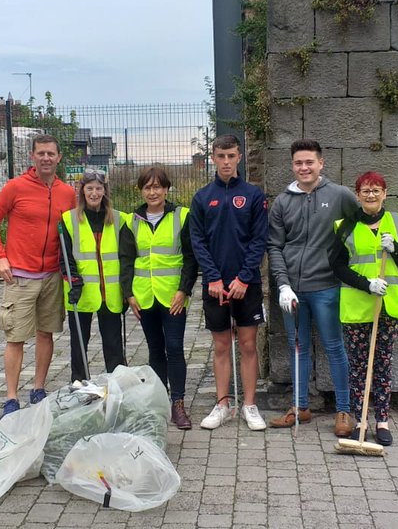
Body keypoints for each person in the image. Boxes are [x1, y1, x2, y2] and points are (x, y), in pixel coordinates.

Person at [266, 139, 361, 437]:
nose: (304, 167)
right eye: (298, 163)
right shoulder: (282, 202)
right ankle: (300, 406)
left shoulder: (340, 195)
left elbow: (363, 223)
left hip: (326, 287)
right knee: (298, 348)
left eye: (309, 162)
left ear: (321, 163)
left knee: (334, 347)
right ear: (292, 165)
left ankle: (344, 410)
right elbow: (274, 246)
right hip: (293, 291)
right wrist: (282, 284)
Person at [0, 135, 77, 419]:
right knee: (16, 337)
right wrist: (0, 257)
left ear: (59, 158)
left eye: (51, 154)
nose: (46, 158)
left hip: (52, 275)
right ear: (32, 156)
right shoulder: (15, 187)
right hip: (20, 276)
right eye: (41, 153)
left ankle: (38, 388)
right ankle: (11, 397)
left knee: (46, 333)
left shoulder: (67, 193)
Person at [189, 135, 269, 431]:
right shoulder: (202, 197)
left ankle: (249, 405)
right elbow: (198, 241)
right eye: (221, 156)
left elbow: (259, 239)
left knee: (248, 344)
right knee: (221, 345)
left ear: (239, 158)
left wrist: (244, 278)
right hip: (215, 286)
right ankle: (222, 405)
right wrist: (212, 277)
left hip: (246, 285)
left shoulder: (253, 195)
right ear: (213, 157)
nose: (226, 162)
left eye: (231, 156)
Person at [331, 171, 398, 447]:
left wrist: (395, 248)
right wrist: (366, 284)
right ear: (357, 195)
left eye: (376, 190)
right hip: (357, 307)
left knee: (382, 364)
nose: (371, 195)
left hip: (386, 307)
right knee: (358, 366)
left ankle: (382, 421)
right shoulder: (345, 226)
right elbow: (337, 266)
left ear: (385, 193)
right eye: (365, 191)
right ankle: (361, 420)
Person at [120, 166, 199, 429]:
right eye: (147, 187)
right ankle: (159, 401)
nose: (152, 192)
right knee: (155, 349)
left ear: (166, 189)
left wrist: (184, 290)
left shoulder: (182, 216)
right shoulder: (131, 221)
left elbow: (190, 258)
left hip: (173, 296)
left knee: (174, 347)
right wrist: (128, 294)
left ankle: (178, 403)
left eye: (157, 187)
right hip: (144, 296)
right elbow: (126, 260)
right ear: (141, 191)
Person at [58, 169, 129, 382]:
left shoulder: (119, 219)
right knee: (79, 344)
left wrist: (126, 290)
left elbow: (126, 256)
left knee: (113, 344)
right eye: (90, 188)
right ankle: (79, 382)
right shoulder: (69, 220)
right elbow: (65, 256)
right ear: (82, 191)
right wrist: (73, 280)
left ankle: (117, 383)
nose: (94, 193)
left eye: (99, 188)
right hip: (81, 292)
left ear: (105, 191)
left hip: (111, 293)